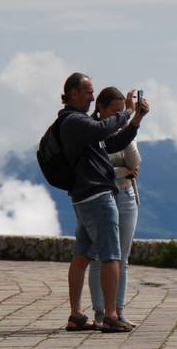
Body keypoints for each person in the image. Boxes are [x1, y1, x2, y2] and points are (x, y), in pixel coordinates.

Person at [59, 72, 148, 333]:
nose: (92, 96)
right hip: (97, 196)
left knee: (83, 255)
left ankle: (76, 315)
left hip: (86, 195)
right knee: (111, 256)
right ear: (73, 93)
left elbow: (114, 141)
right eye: (88, 92)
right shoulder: (75, 121)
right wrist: (127, 114)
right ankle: (110, 315)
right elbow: (105, 131)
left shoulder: (80, 123)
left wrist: (136, 120)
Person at [87, 87, 142, 329]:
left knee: (123, 257)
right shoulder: (93, 132)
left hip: (127, 194)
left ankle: (118, 311)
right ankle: (100, 312)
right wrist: (122, 171)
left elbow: (136, 163)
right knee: (101, 256)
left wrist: (126, 127)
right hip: (103, 196)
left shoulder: (123, 130)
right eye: (115, 111)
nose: (120, 115)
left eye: (123, 111)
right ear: (101, 108)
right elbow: (101, 168)